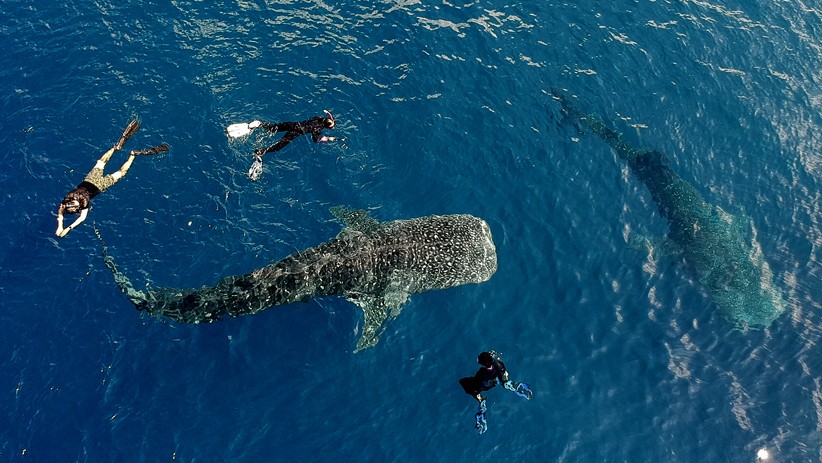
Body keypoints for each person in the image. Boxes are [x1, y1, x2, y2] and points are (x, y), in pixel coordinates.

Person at [55, 119, 167, 238]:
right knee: (101, 162)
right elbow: (61, 211)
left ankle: (133, 155)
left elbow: (81, 218)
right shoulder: (68, 197)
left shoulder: (84, 203)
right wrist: (61, 225)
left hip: (100, 186)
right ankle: (115, 148)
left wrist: (66, 228)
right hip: (89, 179)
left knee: (120, 173)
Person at [227, 110, 343, 180]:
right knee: (280, 145)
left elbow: (327, 120)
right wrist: (327, 139)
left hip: (293, 124)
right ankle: (261, 152)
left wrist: (329, 115)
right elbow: (315, 140)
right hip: (296, 132)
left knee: (274, 128)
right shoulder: (318, 129)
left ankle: (260, 124)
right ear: (327, 127)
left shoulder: (319, 119)